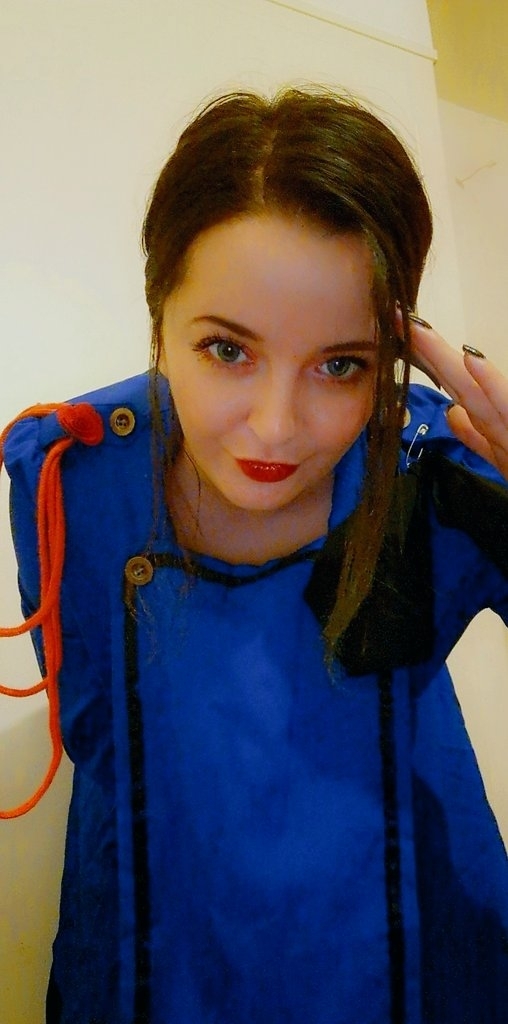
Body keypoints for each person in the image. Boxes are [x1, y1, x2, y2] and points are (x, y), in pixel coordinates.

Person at [1, 87, 508, 1024]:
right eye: (228, 351)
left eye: (341, 365)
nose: (276, 426)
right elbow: (103, 736)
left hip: (412, 945)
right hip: (158, 952)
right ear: (160, 314)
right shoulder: (74, 483)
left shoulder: (433, 469)